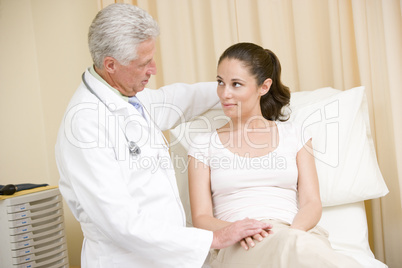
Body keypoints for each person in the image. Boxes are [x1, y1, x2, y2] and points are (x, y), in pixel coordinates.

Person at [55, 5, 271, 268]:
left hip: (166, 256)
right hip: (125, 261)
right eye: (144, 63)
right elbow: (121, 222)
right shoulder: (85, 124)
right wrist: (213, 237)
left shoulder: (131, 97)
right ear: (111, 64)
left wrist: (238, 89)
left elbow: (181, 99)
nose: (153, 69)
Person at [187, 42, 362, 267]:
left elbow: (311, 202)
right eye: (220, 82)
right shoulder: (203, 144)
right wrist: (234, 230)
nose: (224, 93)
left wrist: (292, 235)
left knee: (300, 251)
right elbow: (201, 218)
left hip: (294, 235)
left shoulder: (295, 134)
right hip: (241, 243)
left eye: (236, 84)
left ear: (264, 86)